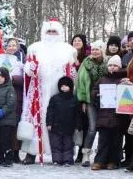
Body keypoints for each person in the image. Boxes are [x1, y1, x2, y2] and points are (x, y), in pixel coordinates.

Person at [21, 19, 78, 164]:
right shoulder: (35, 48)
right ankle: (32, 152)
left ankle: (60, 154)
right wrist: (30, 68)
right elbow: (27, 69)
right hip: (39, 92)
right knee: (36, 120)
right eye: (49, 31)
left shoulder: (68, 50)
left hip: (59, 93)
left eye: (54, 32)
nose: (51, 34)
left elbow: (72, 73)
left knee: (59, 123)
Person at [91, 55, 131, 170]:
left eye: (115, 65)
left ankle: (114, 161)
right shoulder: (102, 78)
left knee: (116, 140)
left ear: (119, 67)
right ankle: (99, 161)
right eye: (110, 65)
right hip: (104, 113)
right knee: (103, 139)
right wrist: (96, 95)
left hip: (118, 114)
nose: (112, 68)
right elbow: (94, 90)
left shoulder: (123, 79)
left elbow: (128, 95)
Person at [75, 41, 108, 167]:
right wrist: (83, 100)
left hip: (106, 100)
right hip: (90, 100)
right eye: (93, 49)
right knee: (92, 128)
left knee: (105, 129)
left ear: (102, 50)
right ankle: (86, 154)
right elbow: (80, 83)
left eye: (98, 49)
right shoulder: (86, 63)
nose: (95, 51)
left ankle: (102, 155)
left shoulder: (108, 63)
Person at [46, 76, 80, 166]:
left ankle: (67, 160)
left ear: (71, 87)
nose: (64, 87)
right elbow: (50, 112)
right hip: (55, 126)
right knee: (56, 144)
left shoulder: (74, 99)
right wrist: (49, 123)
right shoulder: (54, 99)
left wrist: (78, 125)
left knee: (68, 145)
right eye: (62, 86)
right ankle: (57, 160)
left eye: (66, 86)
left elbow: (78, 114)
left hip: (69, 127)